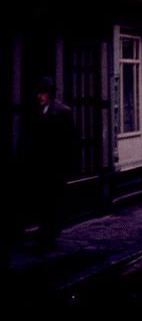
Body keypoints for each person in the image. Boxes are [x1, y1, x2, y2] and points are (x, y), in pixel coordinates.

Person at [23, 75, 78, 250]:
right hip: (39, 167)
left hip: (55, 168)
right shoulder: (36, 112)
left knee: (52, 201)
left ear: (50, 94)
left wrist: (66, 166)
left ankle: (49, 233)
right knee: (42, 200)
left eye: (43, 93)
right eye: (38, 93)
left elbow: (70, 141)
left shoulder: (63, 112)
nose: (39, 97)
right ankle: (45, 230)